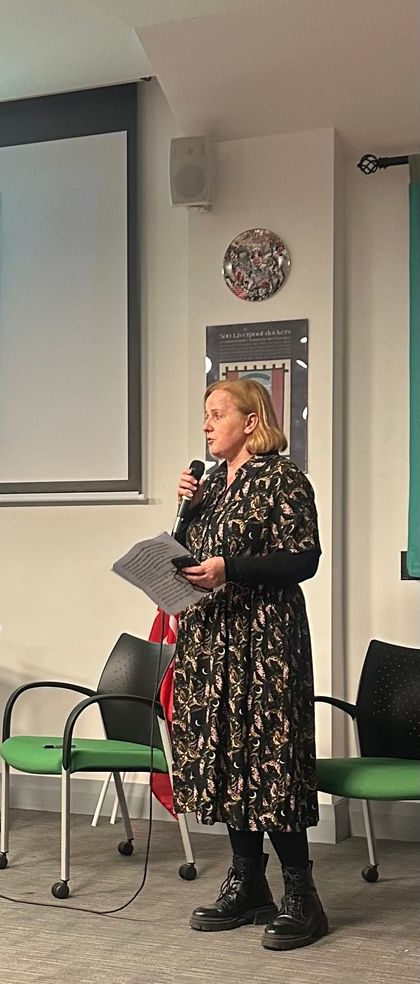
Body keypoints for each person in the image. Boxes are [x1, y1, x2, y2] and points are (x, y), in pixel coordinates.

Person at [170, 377, 327, 951]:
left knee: (269, 756)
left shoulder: (284, 478)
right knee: (225, 753)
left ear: (251, 422)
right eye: (205, 414)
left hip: (265, 640)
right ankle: (248, 882)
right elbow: (188, 556)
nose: (207, 424)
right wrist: (185, 514)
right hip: (212, 638)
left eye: (217, 414)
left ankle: (302, 895)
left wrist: (231, 568)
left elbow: (304, 558)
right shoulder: (209, 485)